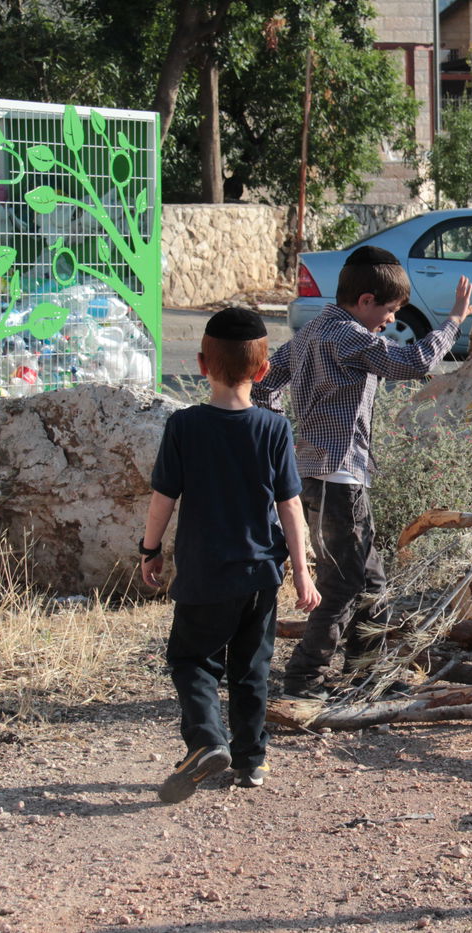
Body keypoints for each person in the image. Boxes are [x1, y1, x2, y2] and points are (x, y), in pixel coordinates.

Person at [253, 246, 472, 700]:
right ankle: (304, 678)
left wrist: (283, 435)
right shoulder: (350, 337)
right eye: (390, 311)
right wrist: (453, 321)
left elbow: (264, 382)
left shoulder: (315, 329)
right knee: (344, 584)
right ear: (367, 299)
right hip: (339, 478)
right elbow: (414, 363)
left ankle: (364, 672)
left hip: (315, 472)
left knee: (370, 579)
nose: (390, 322)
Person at [140, 306, 321, 804]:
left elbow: (163, 499)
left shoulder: (185, 425)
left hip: (204, 573)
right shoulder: (273, 428)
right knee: (251, 667)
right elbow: (290, 506)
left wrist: (149, 550)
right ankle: (250, 761)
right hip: (261, 573)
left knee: (192, 658)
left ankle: (206, 741)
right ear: (263, 372)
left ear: (201, 364)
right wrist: (302, 573)